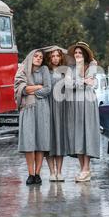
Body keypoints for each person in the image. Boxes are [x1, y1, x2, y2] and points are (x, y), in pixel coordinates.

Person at [14, 49, 51, 185]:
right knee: (29, 142)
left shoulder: (44, 70)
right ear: (31, 56)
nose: (38, 58)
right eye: (36, 56)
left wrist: (32, 91)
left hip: (42, 109)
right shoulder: (22, 70)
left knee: (40, 141)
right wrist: (37, 86)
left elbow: (47, 89)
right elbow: (21, 89)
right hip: (27, 109)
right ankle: (30, 174)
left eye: (41, 57)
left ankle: (37, 173)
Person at [65, 42, 100, 182]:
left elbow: (93, 83)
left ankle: (86, 168)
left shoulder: (91, 66)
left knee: (88, 133)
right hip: (75, 104)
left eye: (80, 53)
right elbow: (68, 85)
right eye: (76, 53)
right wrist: (83, 82)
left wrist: (80, 81)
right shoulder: (70, 69)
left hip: (89, 104)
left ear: (85, 54)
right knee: (78, 134)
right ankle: (83, 169)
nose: (78, 55)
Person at [44, 46, 67, 182]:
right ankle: (51, 172)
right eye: (52, 56)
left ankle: (59, 171)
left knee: (59, 139)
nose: (55, 58)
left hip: (61, 108)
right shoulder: (45, 71)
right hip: (48, 106)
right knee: (49, 140)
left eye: (57, 55)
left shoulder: (64, 72)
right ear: (49, 58)